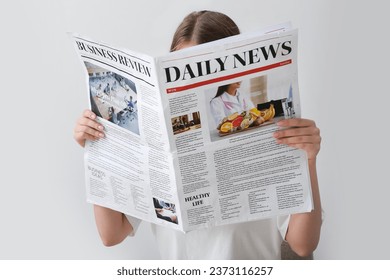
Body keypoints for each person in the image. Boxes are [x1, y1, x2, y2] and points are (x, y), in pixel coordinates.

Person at [73, 10, 322, 259]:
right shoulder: (156, 143)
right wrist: (99, 150)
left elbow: (302, 244)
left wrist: (309, 160)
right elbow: (111, 234)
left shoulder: (266, 133)